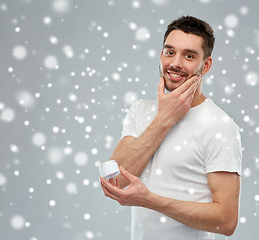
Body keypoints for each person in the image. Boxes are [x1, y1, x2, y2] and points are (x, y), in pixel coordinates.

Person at [100, 16, 242, 240]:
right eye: (169, 52)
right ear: (161, 56)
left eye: (189, 56)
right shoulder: (140, 112)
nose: (175, 63)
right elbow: (115, 182)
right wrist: (163, 120)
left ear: (206, 65)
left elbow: (226, 221)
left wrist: (151, 201)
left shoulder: (219, 126)